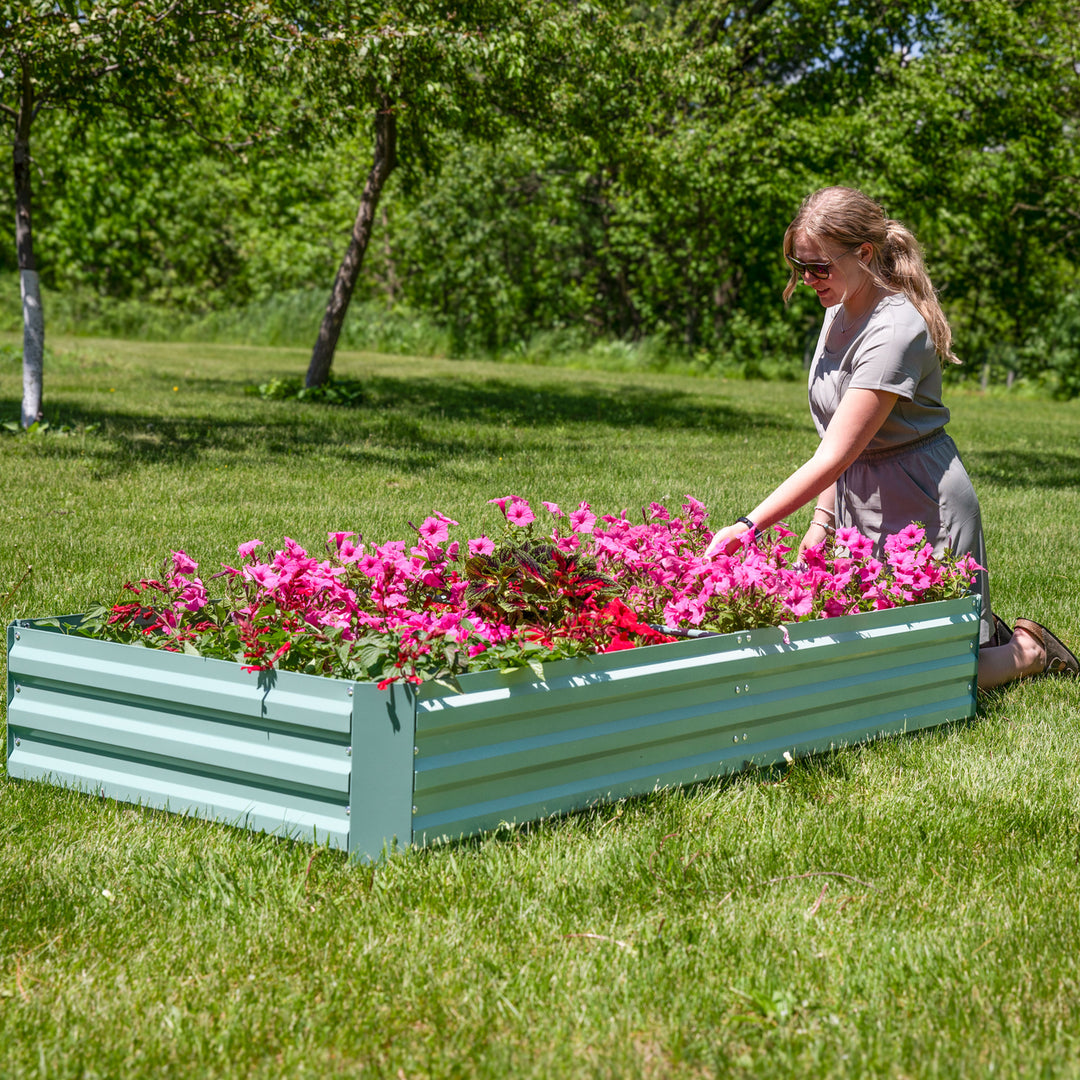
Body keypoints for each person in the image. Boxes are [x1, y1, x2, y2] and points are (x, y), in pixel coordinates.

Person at [704, 186, 1078, 689]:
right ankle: (981, 640)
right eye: (799, 266)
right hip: (862, 496)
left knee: (915, 676)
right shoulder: (838, 308)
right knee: (854, 658)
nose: (809, 279)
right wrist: (823, 521)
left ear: (864, 254)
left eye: (820, 267)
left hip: (922, 503)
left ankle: (1026, 651)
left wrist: (747, 526)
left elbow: (835, 455)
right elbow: (838, 439)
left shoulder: (894, 329)